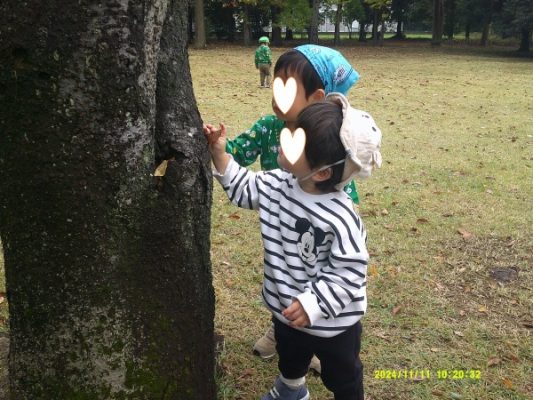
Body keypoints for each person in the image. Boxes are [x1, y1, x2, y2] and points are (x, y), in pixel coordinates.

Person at [206, 94, 382, 400]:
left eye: (296, 140)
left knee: (343, 374)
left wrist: (314, 304)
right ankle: (291, 390)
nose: (285, 136)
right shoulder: (278, 183)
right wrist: (219, 154)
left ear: (323, 172)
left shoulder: (340, 216)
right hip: (286, 308)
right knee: (290, 356)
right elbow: (243, 187)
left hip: (334, 323)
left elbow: (350, 270)